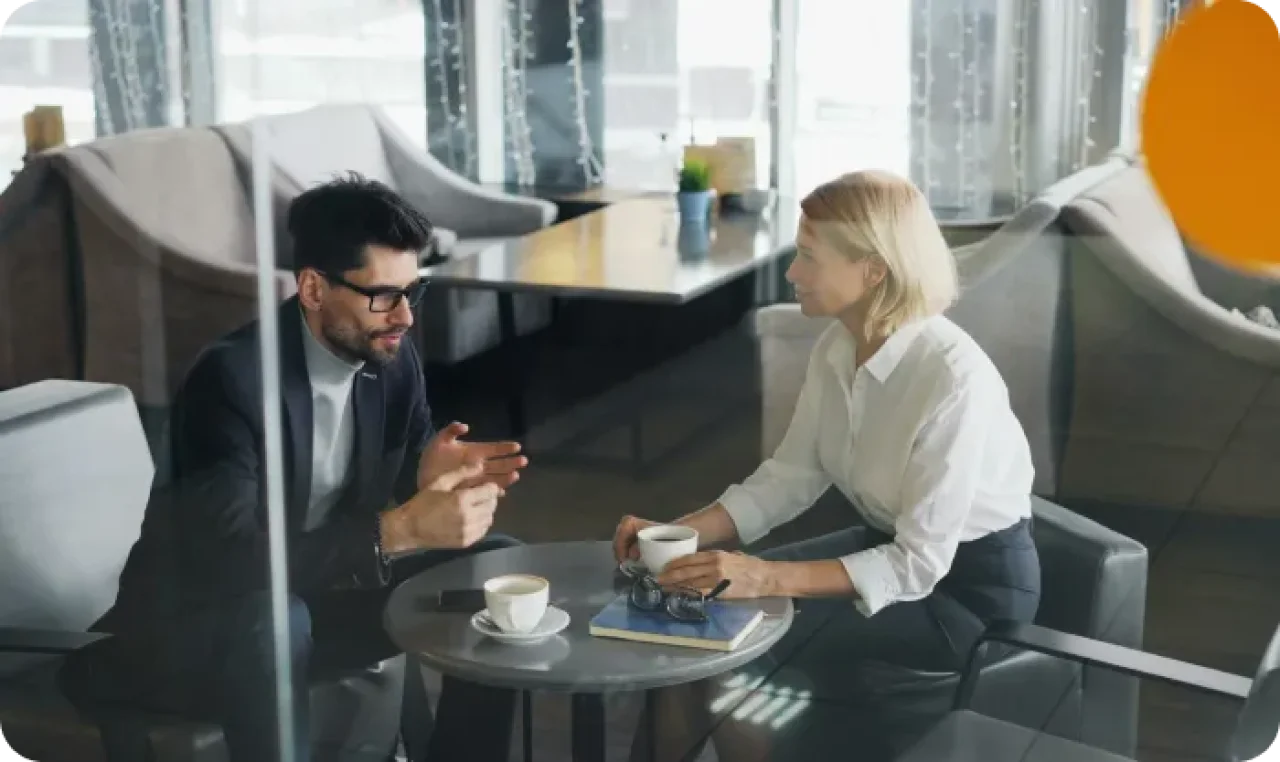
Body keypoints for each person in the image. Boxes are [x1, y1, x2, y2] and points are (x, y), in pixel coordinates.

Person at [62, 174, 528, 762]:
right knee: (274, 619)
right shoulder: (231, 381)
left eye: (414, 291)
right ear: (312, 288)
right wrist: (400, 530)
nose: (406, 317)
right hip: (193, 633)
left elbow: (383, 480)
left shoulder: (390, 352)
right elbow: (232, 557)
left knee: (496, 564)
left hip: (315, 601)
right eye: (384, 295)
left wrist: (423, 475)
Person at [614, 170, 1042, 761]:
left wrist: (762, 576)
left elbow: (919, 565)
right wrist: (674, 535)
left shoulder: (952, 378)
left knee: (738, 635)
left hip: (963, 596)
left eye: (810, 256)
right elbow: (790, 476)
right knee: (691, 609)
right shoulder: (838, 348)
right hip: (884, 549)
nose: (792, 271)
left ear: (872, 269)